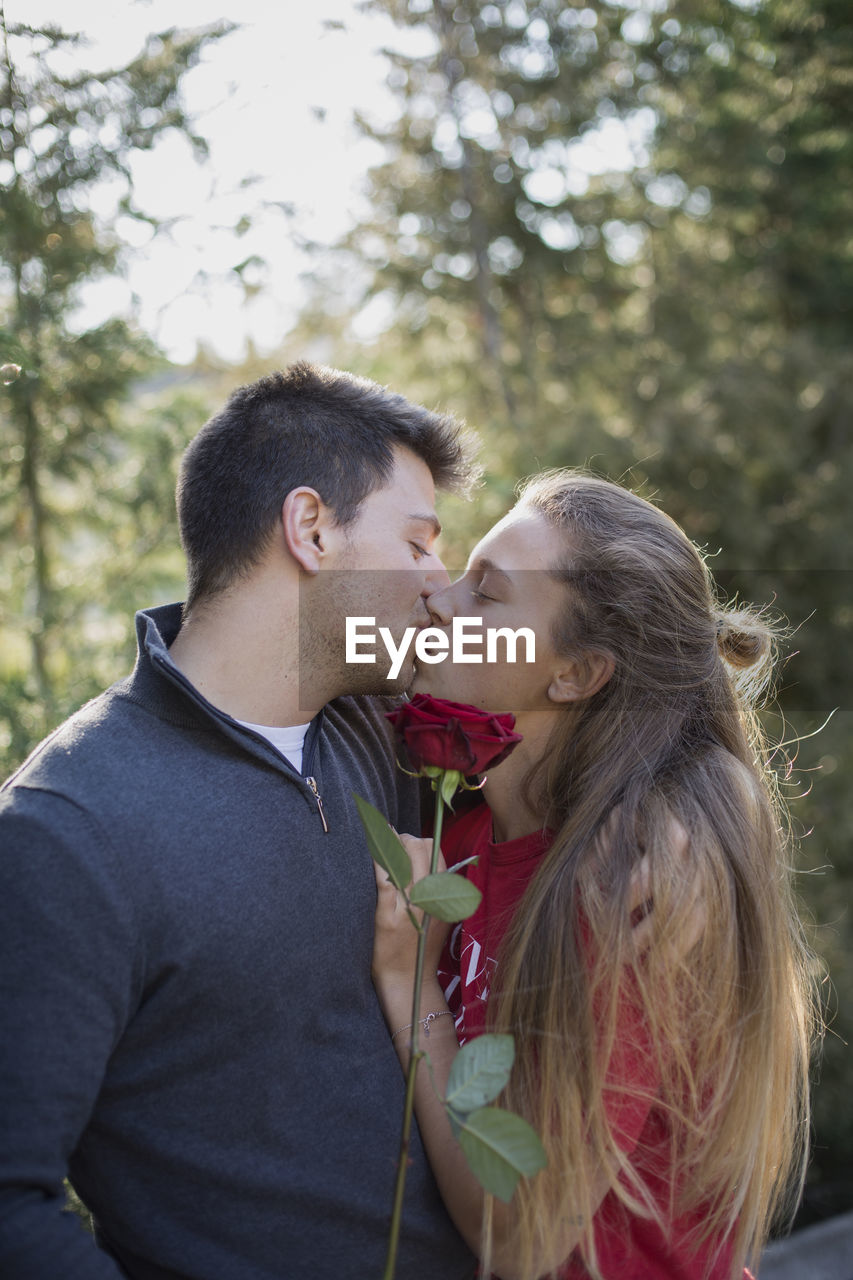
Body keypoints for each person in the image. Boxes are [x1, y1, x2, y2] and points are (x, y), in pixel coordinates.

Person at [0, 362, 481, 1279]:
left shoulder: (388, 738)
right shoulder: (65, 831)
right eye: (417, 543)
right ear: (309, 529)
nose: (439, 582)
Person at [371, 470, 816, 1280]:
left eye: (487, 593)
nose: (439, 600)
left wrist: (411, 986)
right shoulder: (463, 825)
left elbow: (522, 1239)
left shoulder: (631, 887)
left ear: (575, 675)